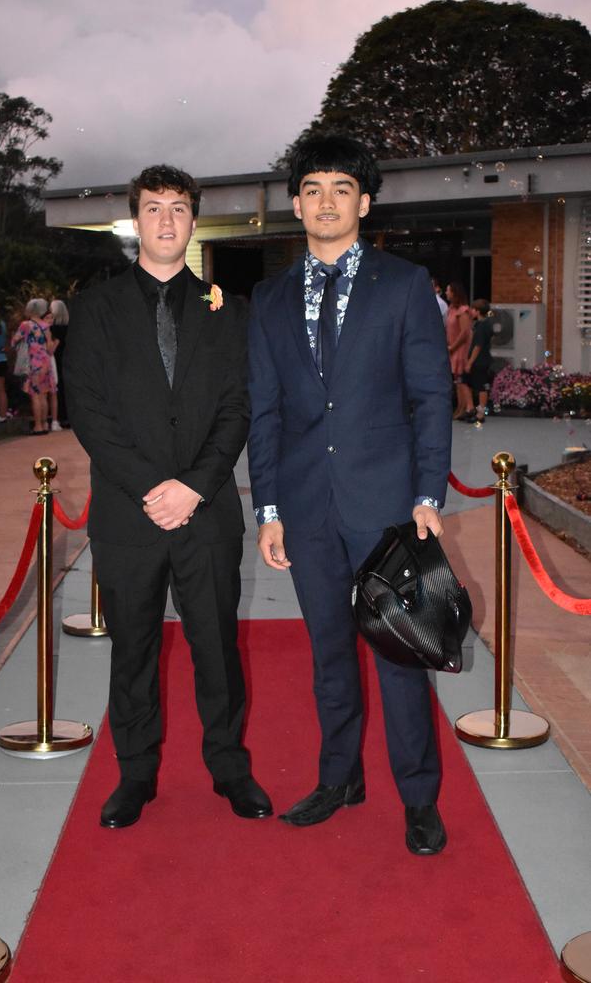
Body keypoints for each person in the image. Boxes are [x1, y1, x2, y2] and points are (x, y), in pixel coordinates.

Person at [247, 135, 452, 854]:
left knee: (400, 656)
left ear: (364, 202)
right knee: (328, 652)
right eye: (312, 188)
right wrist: (267, 509)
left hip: (387, 502)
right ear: (297, 203)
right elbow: (264, 410)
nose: (326, 200)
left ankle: (419, 798)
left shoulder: (403, 284)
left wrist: (430, 492)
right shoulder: (268, 300)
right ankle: (340, 778)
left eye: (341, 188)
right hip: (306, 508)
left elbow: (431, 396)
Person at [63, 164, 272, 830]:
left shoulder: (226, 310)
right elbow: (88, 414)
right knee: (134, 650)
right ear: (136, 220)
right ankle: (136, 772)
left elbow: (238, 408)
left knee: (215, 646)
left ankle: (230, 768)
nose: (165, 220)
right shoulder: (95, 309)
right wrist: (154, 489)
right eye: (153, 208)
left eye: (178, 208)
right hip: (129, 515)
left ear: (192, 220)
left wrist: (196, 486)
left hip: (206, 514)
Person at [11, 299, 57, 435]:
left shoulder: (26, 325)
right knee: (44, 394)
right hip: (45, 361)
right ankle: (44, 424)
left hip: (33, 362)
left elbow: (14, 341)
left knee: (35, 395)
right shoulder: (45, 326)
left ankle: (38, 426)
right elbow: (49, 347)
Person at [462, 298, 494, 425]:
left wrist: (470, 362)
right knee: (465, 381)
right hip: (479, 360)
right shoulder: (480, 324)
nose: (471, 311)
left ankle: (481, 413)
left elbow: (478, 346)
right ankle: (471, 408)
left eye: (473, 309)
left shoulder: (483, 326)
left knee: (481, 386)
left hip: (480, 361)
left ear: (477, 311)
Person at [445, 282, 472, 420]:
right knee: (456, 380)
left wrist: (453, 347)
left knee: (461, 379)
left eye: (448, 290)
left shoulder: (463, 310)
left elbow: (465, 332)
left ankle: (465, 408)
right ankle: (459, 408)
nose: (446, 293)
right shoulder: (451, 309)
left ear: (454, 293)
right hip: (452, 348)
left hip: (460, 349)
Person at [48, 299, 70, 428]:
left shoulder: (51, 329)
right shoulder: (70, 328)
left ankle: (61, 417)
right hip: (67, 360)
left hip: (55, 360)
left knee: (58, 389)